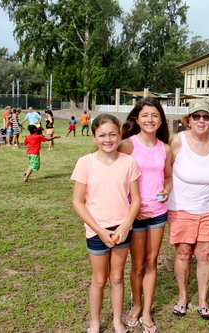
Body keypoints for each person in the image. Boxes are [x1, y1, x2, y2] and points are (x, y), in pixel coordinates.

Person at [71, 114, 141, 333]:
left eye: (113, 134)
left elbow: (136, 199)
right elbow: (77, 201)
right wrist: (98, 229)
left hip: (121, 230)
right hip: (96, 231)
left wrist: (126, 224)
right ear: (94, 137)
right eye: (102, 135)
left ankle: (117, 322)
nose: (108, 139)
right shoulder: (85, 163)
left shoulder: (128, 162)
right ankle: (94, 322)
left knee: (117, 277)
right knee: (99, 280)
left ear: (120, 135)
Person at [119, 97, 172, 333]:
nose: (150, 120)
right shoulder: (128, 145)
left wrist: (166, 189)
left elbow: (168, 177)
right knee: (138, 265)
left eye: (155, 115)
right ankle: (136, 305)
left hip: (158, 214)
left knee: (152, 263)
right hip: (136, 216)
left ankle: (148, 311)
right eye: (145, 115)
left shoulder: (165, 148)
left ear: (161, 120)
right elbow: (116, 174)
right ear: (137, 119)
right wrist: (131, 207)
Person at [167, 100, 209, 320]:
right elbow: (166, 172)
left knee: (205, 254)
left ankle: (203, 301)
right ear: (188, 119)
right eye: (196, 116)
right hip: (181, 208)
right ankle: (182, 298)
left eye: (206, 117)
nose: (201, 120)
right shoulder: (177, 141)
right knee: (183, 253)